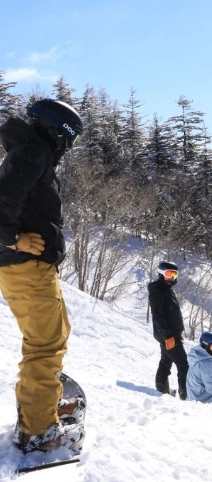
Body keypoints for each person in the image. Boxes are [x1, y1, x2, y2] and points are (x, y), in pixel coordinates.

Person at [0, 99, 85, 454]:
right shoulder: (32, 153)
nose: (69, 148)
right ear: (57, 132)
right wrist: (13, 237)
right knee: (45, 343)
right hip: (25, 266)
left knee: (55, 333)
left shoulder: (32, 154)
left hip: (33, 267)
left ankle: (41, 398)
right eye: (70, 140)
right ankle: (38, 430)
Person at [148, 261, 189, 399]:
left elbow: (171, 314)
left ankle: (162, 389)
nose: (171, 277)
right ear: (161, 274)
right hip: (167, 335)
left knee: (166, 362)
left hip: (171, 334)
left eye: (174, 274)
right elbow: (158, 317)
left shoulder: (166, 289)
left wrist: (177, 333)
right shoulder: (157, 291)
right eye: (168, 274)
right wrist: (168, 336)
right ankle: (185, 394)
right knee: (183, 365)